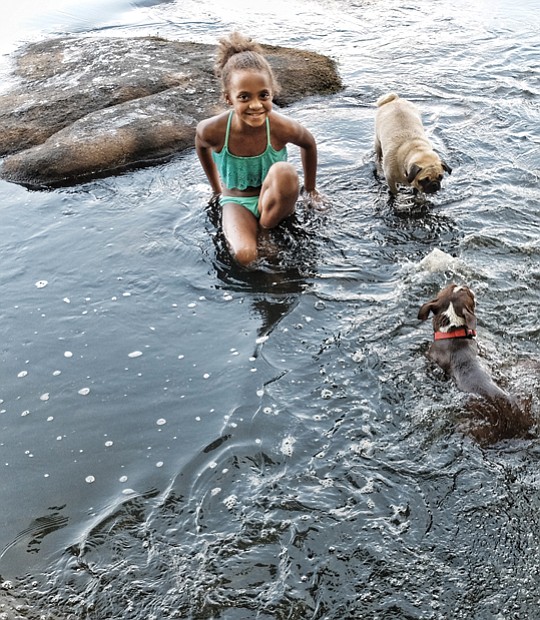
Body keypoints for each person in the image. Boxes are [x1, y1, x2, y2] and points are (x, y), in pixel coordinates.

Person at [195, 32, 324, 267]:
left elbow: (309, 143)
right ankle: (260, 234)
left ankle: (266, 229)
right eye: (244, 97)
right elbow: (201, 145)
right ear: (228, 98)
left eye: (263, 95)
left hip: (274, 200)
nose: (255, 105)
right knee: (246, 257)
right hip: (236, 201)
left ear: (272, 92)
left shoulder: (280, 126)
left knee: (285, 171)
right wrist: (215, 188)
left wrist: (311, 189)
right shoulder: (213, 130)